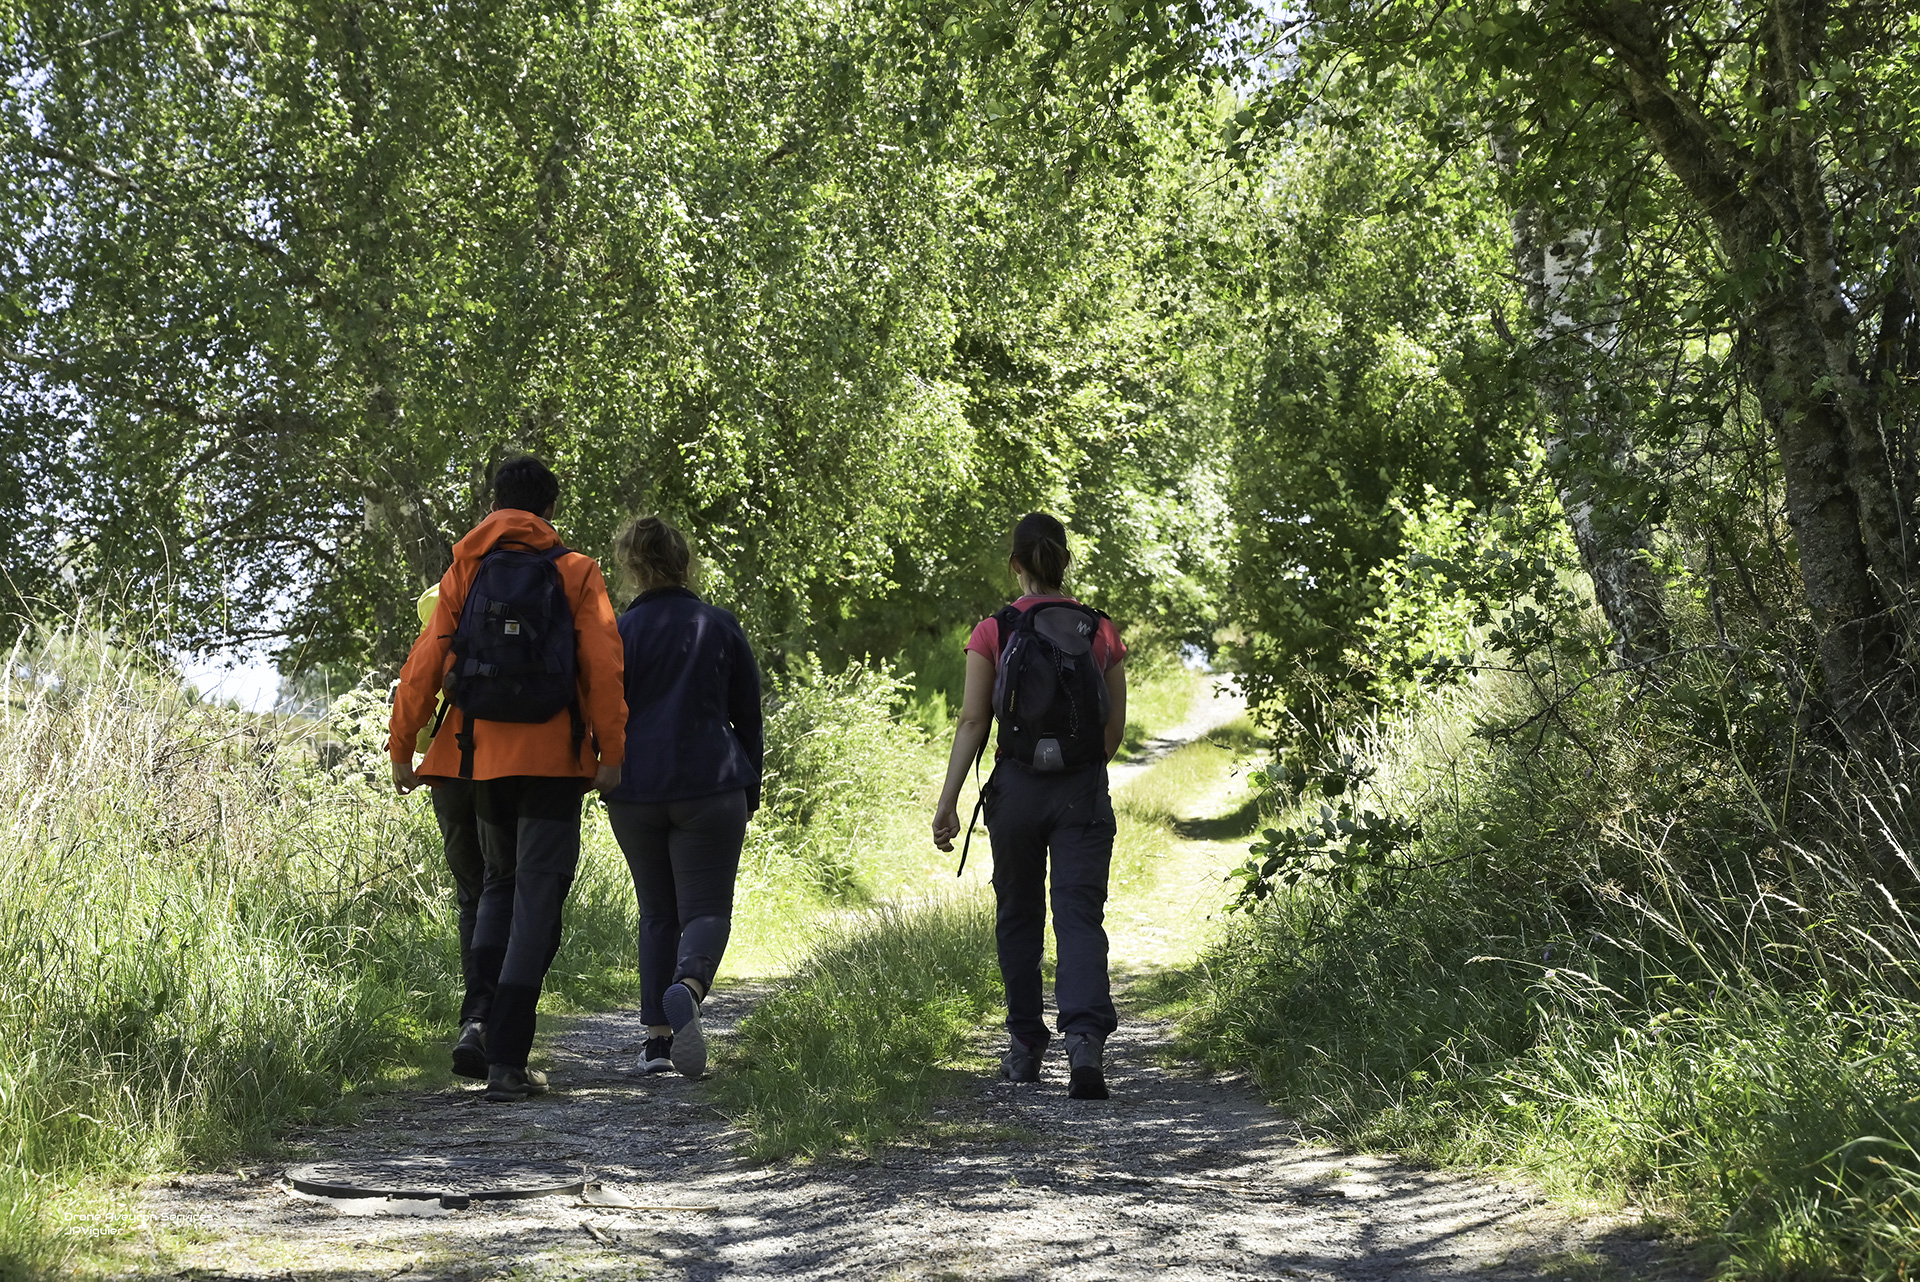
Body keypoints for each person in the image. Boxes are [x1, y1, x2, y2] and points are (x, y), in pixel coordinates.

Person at [388, 455, 627, 1102]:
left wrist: (401, 746)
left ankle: (481, 1022)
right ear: (547, 510)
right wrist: (612, 751)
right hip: (552, 760)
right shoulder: (576, 571)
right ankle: (508, 1060)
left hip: (477, 753)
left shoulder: (466, 568)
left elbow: (427, 660)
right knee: (538, 902)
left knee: (497, 887)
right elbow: (603, 667)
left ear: (496, 505)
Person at [932, 512, 1128, 1100]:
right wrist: (1081, 773)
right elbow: (1113, 730)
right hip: (1081, 791)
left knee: (1018, 914)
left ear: (1014, 564)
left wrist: (949, 803)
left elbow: (972, 720)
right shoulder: (1101, 630)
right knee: (1078, 914)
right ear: (1064, 562)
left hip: (1014, 792)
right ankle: (1085, 1044)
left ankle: (1024, 1045)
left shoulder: (993, 631)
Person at [601, 515, 763, 1079]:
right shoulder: (718, 624)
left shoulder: (617, 633)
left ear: (630, 566)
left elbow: (601, 711)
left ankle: (656, 1045)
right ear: (684, 561)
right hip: (710, 783)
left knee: (656, 913)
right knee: (707, 908)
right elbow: (748, 713)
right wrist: (752, 786)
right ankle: (689, 986)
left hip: (634, 789)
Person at [407, 583, 487, 1075]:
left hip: (450, 767)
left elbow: (418, 682)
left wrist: (401, 750)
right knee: (514, 889)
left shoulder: (443, 599)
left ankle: (474, 1021)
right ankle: (501, 1017)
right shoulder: (542, 580)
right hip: (516, 765)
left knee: (473, 897)